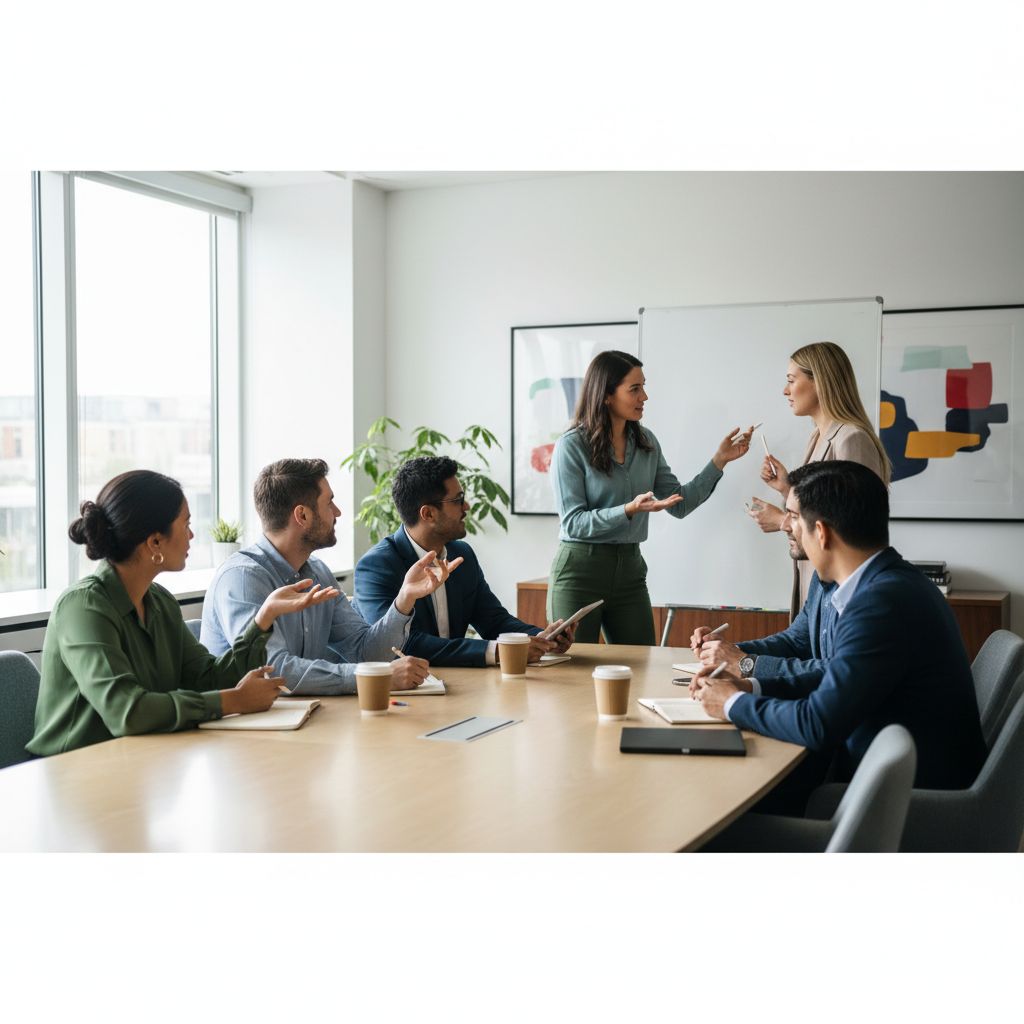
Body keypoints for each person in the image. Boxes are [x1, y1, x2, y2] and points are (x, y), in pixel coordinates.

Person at [692, 460, 986, 809]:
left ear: (821, 532)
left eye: (794, 518)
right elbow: (837, 677)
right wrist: (750, 685)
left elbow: (818, 723)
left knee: (720, 805)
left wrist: (730, 703)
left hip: (912, 802)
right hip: (882, 772)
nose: (788, 527)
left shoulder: (880, 604)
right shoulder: (884, 583)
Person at [27, 470, 338, 757]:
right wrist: (234, 700)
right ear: (155, 541)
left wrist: (263, 619)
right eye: (186, 524)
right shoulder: (83, 607)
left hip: (140, 761)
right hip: (73, 772)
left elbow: (206, 678)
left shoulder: (159, 602)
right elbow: (127, 711)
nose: (192, 536)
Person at [549, 349, 752, 645]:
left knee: (641, 666)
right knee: (574, 669)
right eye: (635, 389)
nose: (644, 397)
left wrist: (719, 461)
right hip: (580, 571)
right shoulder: (571, 446)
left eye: (644, 387)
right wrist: (628, 510)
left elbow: (679, 503)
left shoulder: (646, 443)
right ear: (606, 395)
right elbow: (574, 524)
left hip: (630, 570)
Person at [202, 458, 455, 695]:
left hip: (298, 720)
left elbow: (365, 652)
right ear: (302, 515)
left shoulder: (318, 572)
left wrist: (405, 598)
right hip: (245, 732)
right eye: (329, 503)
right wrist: (375, 677)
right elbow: (273, 671)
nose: (338, 512)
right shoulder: (243, 578)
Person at [355, 456, 574, 667]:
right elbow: (402, 644)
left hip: (460, 684)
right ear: (428, 514)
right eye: (458, 500)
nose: (466, 506)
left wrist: (540, 637)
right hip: (406, 692)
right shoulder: (376, 566)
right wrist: (499, 651)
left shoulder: (462, 554)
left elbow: (493, 620)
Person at [746, 340, 890, 618]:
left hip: (842, 592)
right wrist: (787, 488)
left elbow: (854, 524)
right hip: (817, 583)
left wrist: (781, 521)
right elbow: (824, 505)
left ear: (819, 382)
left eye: (791, 380)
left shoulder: (852, 438)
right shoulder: (817, 436)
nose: (785, 390)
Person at [688, 501, 835, 697]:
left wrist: (744, 663)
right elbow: (794, 643)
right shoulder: (822, 576)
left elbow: (835, 674)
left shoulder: (873, 596)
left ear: (820, 529)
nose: (783, 525)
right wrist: (727, 651)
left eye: (792, 515)